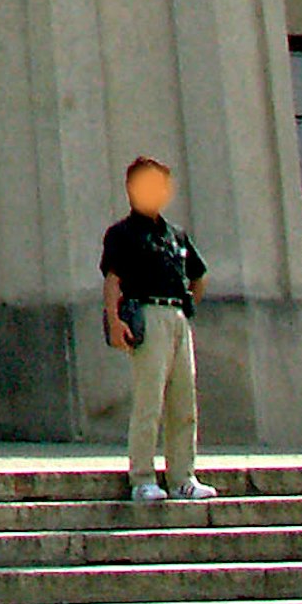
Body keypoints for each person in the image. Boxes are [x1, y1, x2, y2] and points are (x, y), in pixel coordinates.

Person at [100, 156, 214, 502]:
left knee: (184, 401)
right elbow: (113, 280)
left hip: (176, 314)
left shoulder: (175, 233)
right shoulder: (122, 234)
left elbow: (199, 273)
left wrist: (190, 302)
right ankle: (143, 477)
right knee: (149, 400)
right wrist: (115, 320)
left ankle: (183, 475)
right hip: (147, 314)